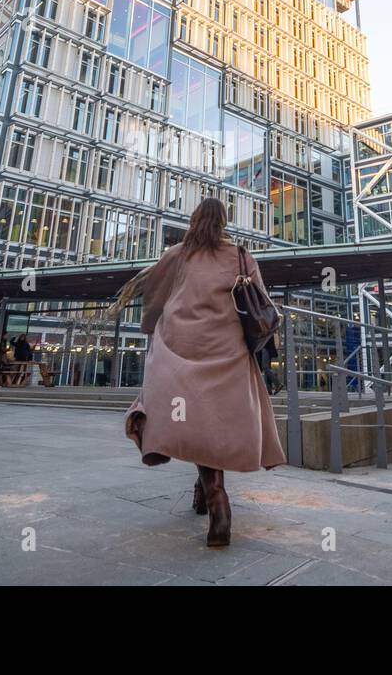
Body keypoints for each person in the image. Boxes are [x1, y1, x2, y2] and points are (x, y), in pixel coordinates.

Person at [112, 197, 285, 547]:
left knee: (188, 416)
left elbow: (156, 301)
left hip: (180, 347)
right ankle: (211, 495)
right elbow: (261, 302)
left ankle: (212, 493)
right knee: (210, 420)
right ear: (223, 222)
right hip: (226, 352)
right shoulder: (240, 255)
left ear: (193, 220)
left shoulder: (177, 254)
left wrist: (151, 327)